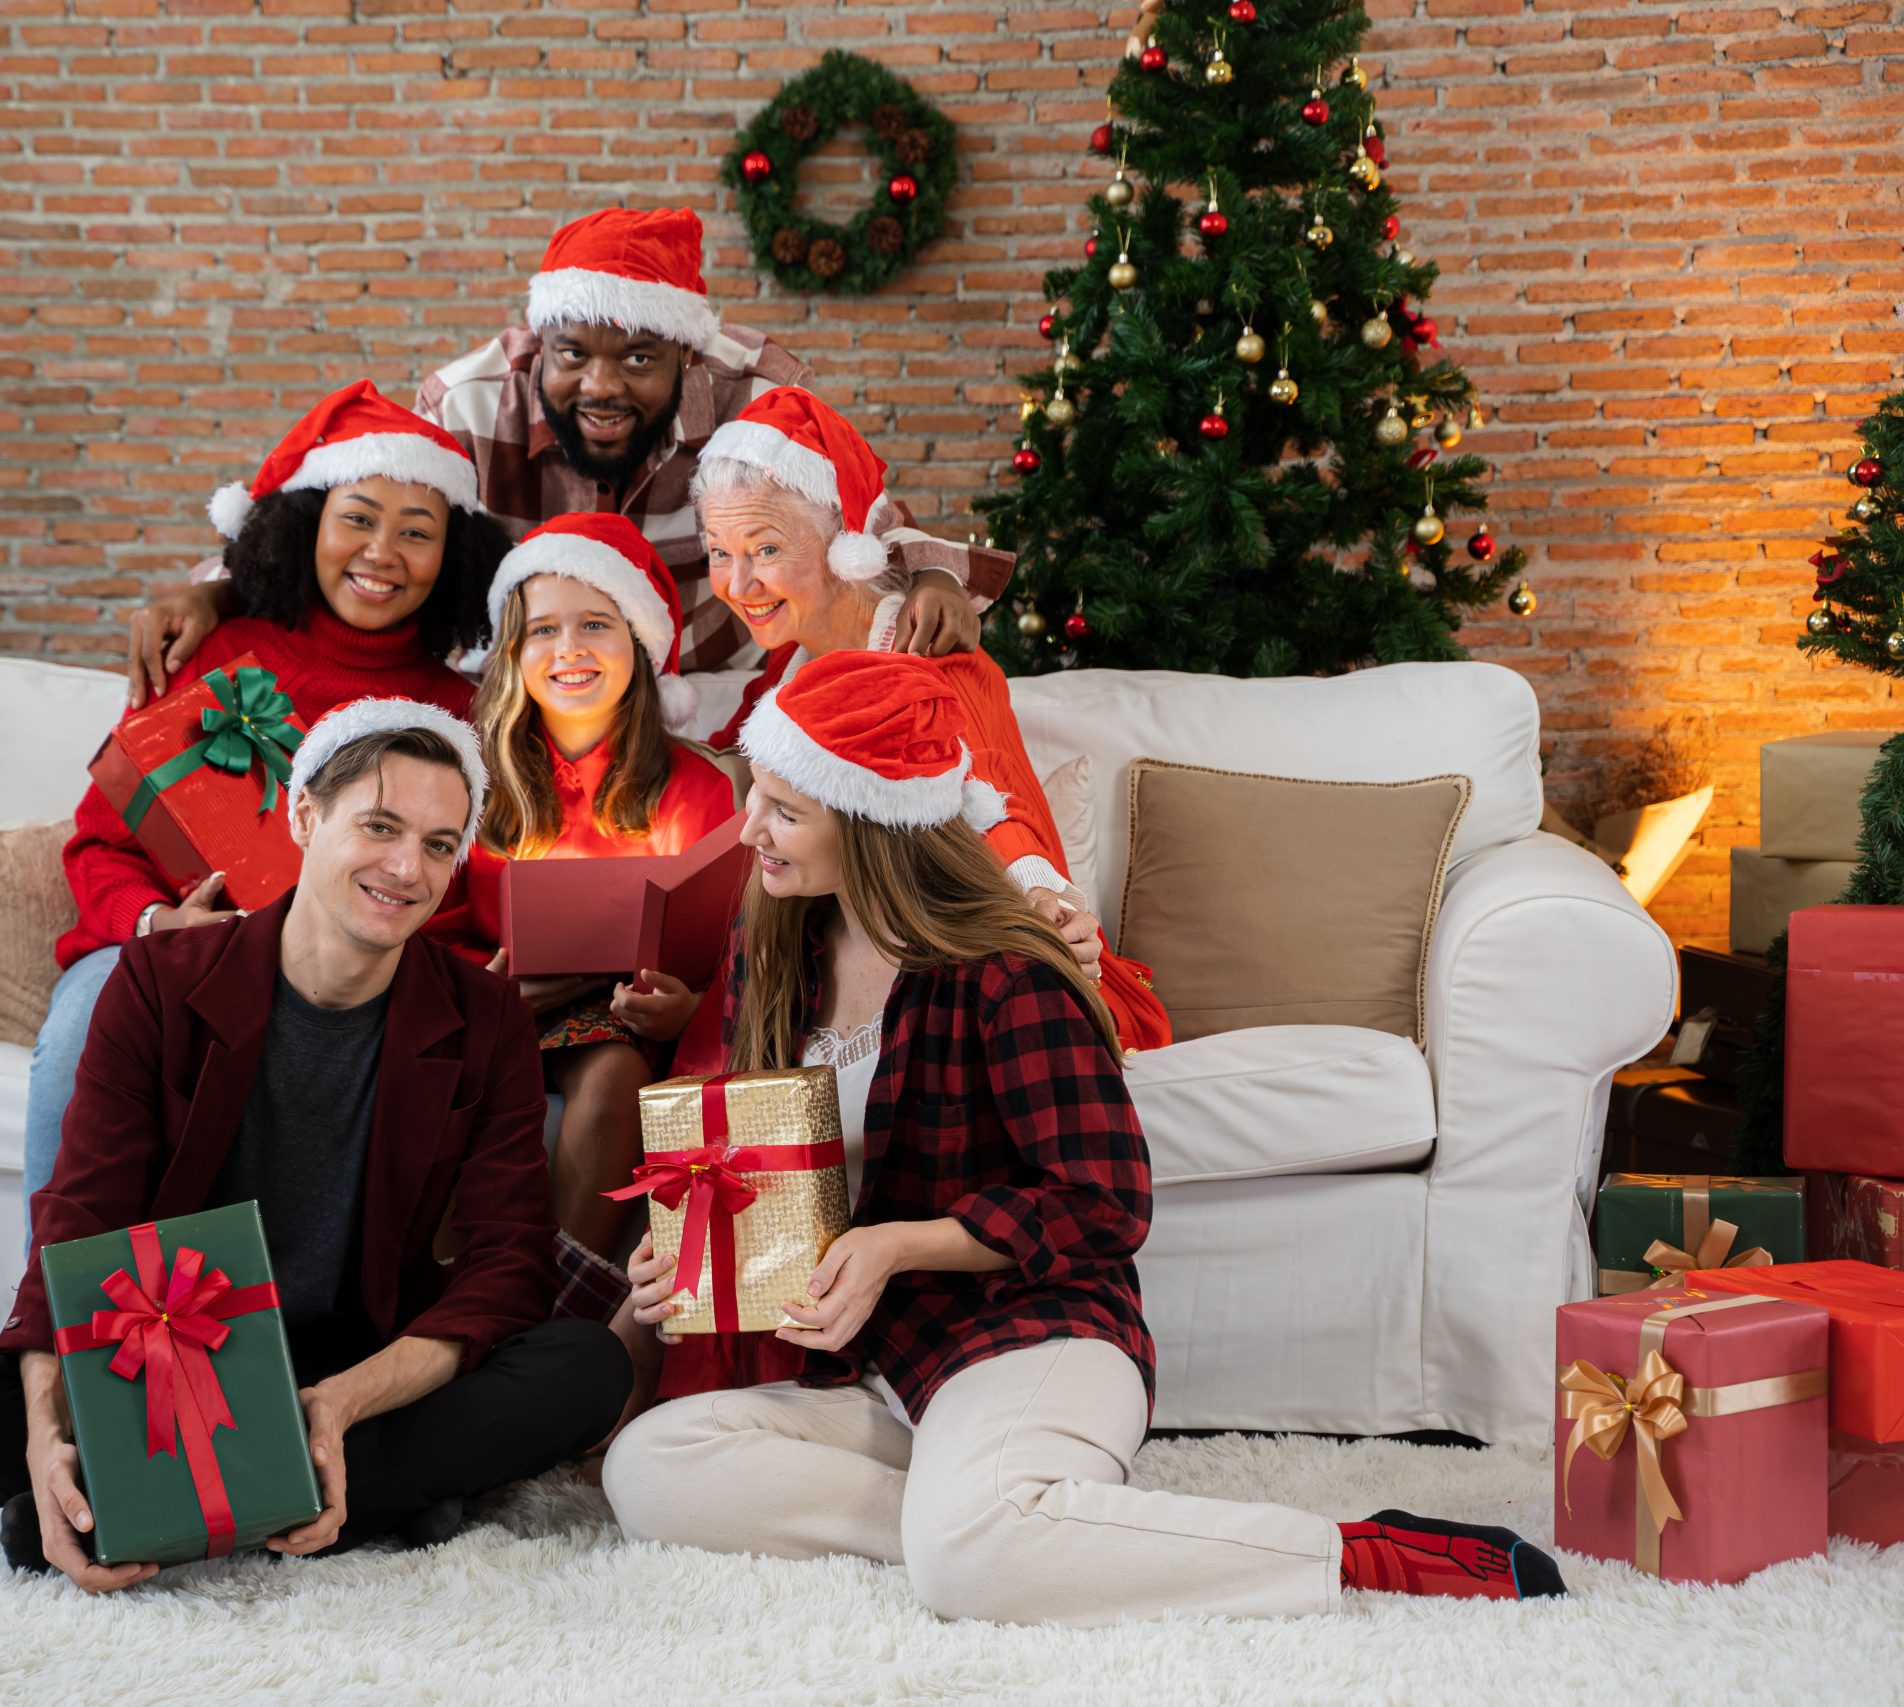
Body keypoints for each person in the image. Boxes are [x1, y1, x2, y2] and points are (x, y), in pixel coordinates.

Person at [598, 652, 1565, 1625]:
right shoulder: (783, 951)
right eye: (754, 796)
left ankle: (1360, 1556)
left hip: (1032, 1332)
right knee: (653, 1469)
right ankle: (1014, 1524)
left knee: (966, 1568)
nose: (747, 829)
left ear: (871, 822)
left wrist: (897, 1245)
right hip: (890, 1364)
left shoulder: (1009, 971)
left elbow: (1106, 1201)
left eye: (783, 811)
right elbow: (781, 1170)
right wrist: (693, 1254)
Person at [0, 702, 634, 1589]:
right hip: (175, 1368)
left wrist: (339, 1402)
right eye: (379, 825)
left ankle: (161, 1508)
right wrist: (46, 1432)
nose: (407, 867)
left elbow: (506, 1267)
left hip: (365, 1373)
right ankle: (366, 1499)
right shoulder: (161, 984)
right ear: (303, 816)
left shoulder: (484, 1019)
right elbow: (81, 1215)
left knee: (587, 1366)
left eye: (440, 845)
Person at [121, 207, 1012, 703]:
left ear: (686, 355)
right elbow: (342, 531)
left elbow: (858, 521)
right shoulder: (469, 404)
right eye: (572, 354)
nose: (600, 387)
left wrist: (932, 578)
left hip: (708, 693)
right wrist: (214, 587)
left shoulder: (752, 395)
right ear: (536, 341)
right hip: (525, 703)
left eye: (638, 359)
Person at [21, 382, 513, 1237]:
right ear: (308, 525)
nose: (383, 552)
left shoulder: (461, 713)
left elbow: (461, 897)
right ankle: (53, 1329)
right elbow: (100, 846)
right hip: (180, 960)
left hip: (356, 988)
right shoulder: (213, 654)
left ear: (454, 555)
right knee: (90, 1009)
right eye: (358, 518)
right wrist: (152, 925)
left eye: (417, 532)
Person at [685, 384, 1171, 1060]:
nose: (737, 584)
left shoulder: (934, 658)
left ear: (843, 544)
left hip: (935, 966)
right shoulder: (790, 669)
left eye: (765, 549)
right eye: (718, 551)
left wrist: (1041, 902)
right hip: (822, 969)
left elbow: (993, 799)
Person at [449, 512, 734, 1309]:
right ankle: (433, 1301)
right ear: (512, 651)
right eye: (543, 629)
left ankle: (555, 1309)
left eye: (595, 625)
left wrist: (684, 1010)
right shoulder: (471, 781)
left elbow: (728, 941)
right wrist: (484, 989)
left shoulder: (697, 788)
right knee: (432, 1071)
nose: (568, 649)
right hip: (487, 1003)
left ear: (638, 646)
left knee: (612, 1076)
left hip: (619, 1019)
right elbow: (423, 926)